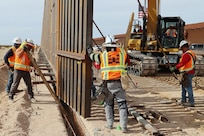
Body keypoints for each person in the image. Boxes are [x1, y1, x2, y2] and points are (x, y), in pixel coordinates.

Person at [87, 35, 129, 133]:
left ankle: (110, 124)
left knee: (108, 104)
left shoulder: (103, 56)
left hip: (108, 84)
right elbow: (127, 62)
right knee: (122, 105)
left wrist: (89, 51)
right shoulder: (123, 53)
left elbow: (93, 57)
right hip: (120, 83)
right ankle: (124, 127)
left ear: (106, 46)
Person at [170, 40, 196, 107]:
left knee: (188, 87)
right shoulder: (191, 53)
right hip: (188, 72)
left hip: (188, 72)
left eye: (182, 48)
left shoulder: (187, 54)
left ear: (184, 47)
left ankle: (191, 102)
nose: (181, 50)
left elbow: (182, 63)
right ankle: (183, 99)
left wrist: (175, 67)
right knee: (183, 86)